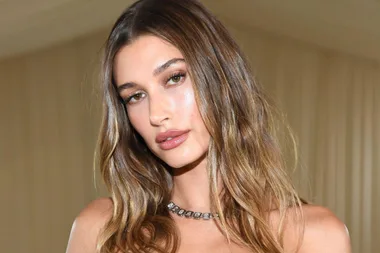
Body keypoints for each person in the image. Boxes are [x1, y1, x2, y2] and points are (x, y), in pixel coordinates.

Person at [66, 0, 351, 252]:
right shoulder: (103, 231)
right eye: (136, 96)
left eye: (174, 78)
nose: (157, 114)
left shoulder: (311, 236)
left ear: (221, 79)